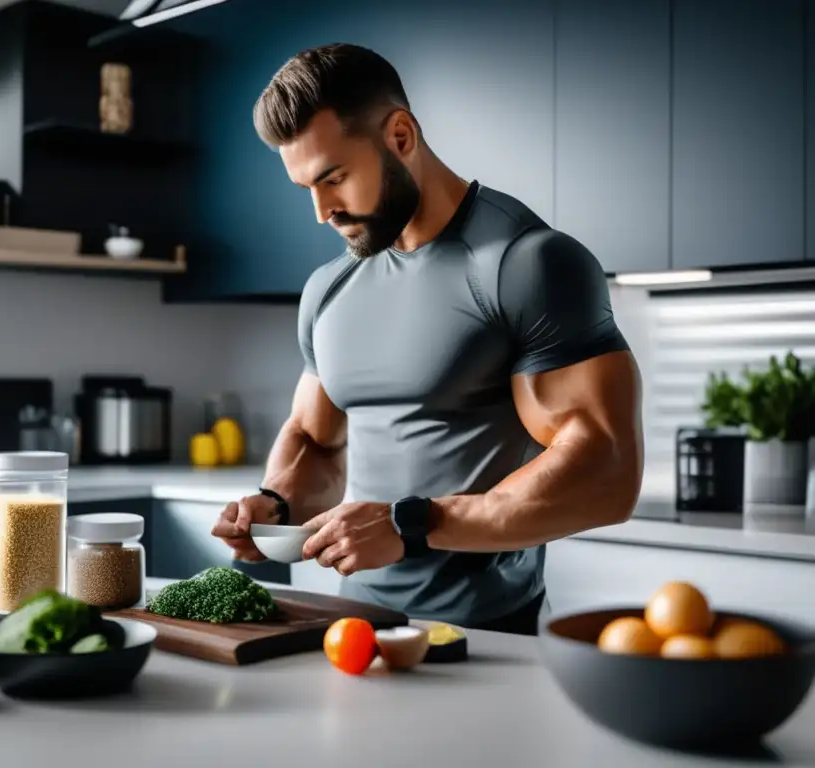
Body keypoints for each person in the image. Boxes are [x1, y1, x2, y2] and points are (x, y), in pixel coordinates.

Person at [210, 42, 644, 634]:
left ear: (400, 136)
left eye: (334, 178)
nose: (321, 211)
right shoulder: (329, 289)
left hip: (487, 638)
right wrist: (277, 505)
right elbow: (317, 441)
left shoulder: (525, 264)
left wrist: (413, 523)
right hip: (353, 628)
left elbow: (606, 470)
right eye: (306, 187)